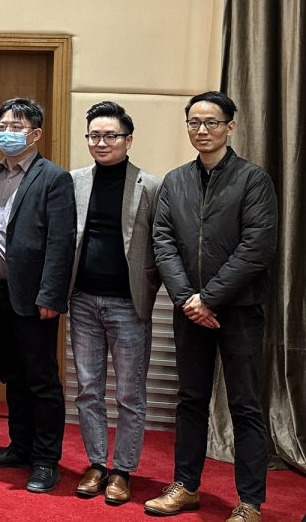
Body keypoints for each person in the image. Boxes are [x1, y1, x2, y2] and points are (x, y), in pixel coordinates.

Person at [147, 92, 277, 522]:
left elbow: (256, 247)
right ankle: (185, 487)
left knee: (244, 405)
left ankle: (250, 502)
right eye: (195, 123)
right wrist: (188, 299)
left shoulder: (253, 179)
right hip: (190, 310)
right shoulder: (175, 180)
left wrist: (211, 297)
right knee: (190, 400)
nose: (202, 130)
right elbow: (162, 242)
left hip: (239, 309)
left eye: (212, 122)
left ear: (230, 127)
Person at [0, 97, 75, 494]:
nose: (7, 132)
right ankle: (20, 446)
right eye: (3, 124)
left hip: (34, 299)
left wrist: (51, 294)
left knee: (41, 380)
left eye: (16, 126)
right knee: (11, 375)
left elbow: (60, 241)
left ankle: (46, 460)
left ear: (35, 134)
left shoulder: (53, 177)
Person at [68, 101, 161, 504]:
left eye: (110, 135)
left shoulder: (151, 185)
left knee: (129, 394)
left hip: (128, 305)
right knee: (88, 390)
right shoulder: (75, 181)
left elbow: (162, 246)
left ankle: (123, 469)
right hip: (83, 301)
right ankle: (96, 463)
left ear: (129, 139)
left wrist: (150, 288)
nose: (101, 142)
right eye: (94, 135)